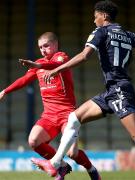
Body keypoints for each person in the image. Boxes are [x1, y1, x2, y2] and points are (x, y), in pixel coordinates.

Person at [21, 0, 135, 177]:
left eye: (95, 16)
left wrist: (57, 69)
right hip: (112, 90)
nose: (94, 20)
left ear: (104, 16)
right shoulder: (128, 34)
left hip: (119, 89)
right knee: (74, 118)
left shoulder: (101, 31)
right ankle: (56, 162)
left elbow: (83, 56)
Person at [0, 32, 101, 180]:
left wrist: (38, 65)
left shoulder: (61, 57)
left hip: (68, 115)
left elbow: (57, 64)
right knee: (33, 140)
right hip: (49, 115)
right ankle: (61, 166)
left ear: (55, 44)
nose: (43, 49)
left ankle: (91, 169)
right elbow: (25, 79)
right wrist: (5, 91)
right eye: (40, 47)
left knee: (72, 153)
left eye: (46, 45)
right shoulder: (38, 64)